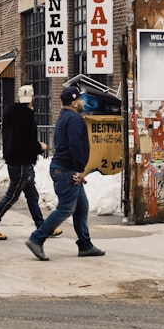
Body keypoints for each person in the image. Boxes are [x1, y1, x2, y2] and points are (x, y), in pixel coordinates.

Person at [24, 86, 105, 261]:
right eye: (82, 100)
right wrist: (80, 170)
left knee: (81, 207)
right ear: (75, 102)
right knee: (66, 208)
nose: (84, 102)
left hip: (63, 168)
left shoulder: (64, 117)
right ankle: (37, 238)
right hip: (67, 170)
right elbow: (75, 146)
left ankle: (85, 244)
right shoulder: (75, 119)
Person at [0, 84, 62, 241]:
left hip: (14, 159)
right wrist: (40, 147)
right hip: (22, 162)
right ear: (33, 98)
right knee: (12, 196)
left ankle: (43, 226)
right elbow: (26, 142)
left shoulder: (10, 113)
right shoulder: (27, 116)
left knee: (32, 196)